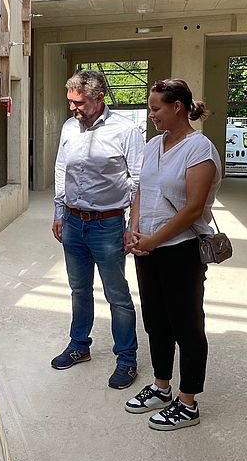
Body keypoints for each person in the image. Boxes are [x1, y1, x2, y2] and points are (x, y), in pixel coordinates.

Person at [124, 79, 221, 431]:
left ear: (177, 107)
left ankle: (188, 401)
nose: (151, 115)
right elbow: (140, 191)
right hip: (146, 248)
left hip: (181, 251)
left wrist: (153, 240)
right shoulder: (153, 145)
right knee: (156, 321)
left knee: (187, 325)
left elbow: (194, 208)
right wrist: (134, 231)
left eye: (156, 109)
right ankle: (161, 386)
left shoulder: (199, 149)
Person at [51, 69, 144, 389]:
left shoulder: (126, 130)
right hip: (73, 223)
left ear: (99, 98)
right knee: (79, 290)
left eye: (78, 103)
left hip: (108, 224)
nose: (72, 109)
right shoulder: (68, 127)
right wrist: (59, 211)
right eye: (70, 102)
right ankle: (79, 346)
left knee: (116, 294)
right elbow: (61, 167)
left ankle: (127, 359)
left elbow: (138, 182)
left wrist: (132, 226)